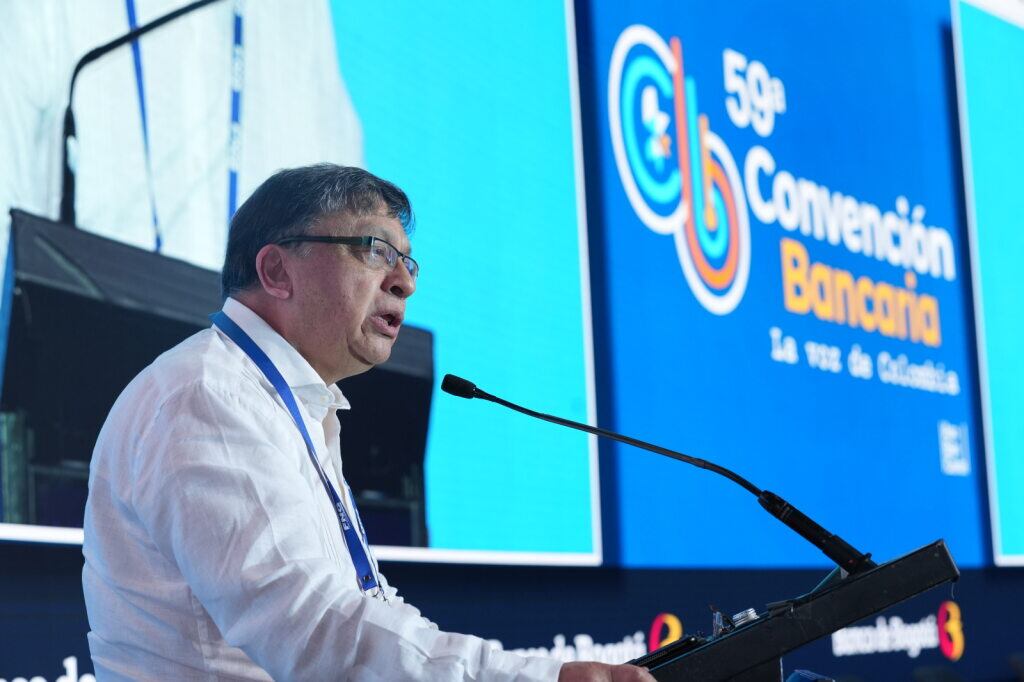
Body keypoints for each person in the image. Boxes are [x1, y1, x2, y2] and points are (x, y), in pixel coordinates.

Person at [82, 164, 655, 681]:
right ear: (277, 270)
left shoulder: (288, 401)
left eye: (408, 262)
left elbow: (362, 605)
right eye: (376, 250)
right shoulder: (209, 394)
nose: (406, 282)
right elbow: (315, 629)